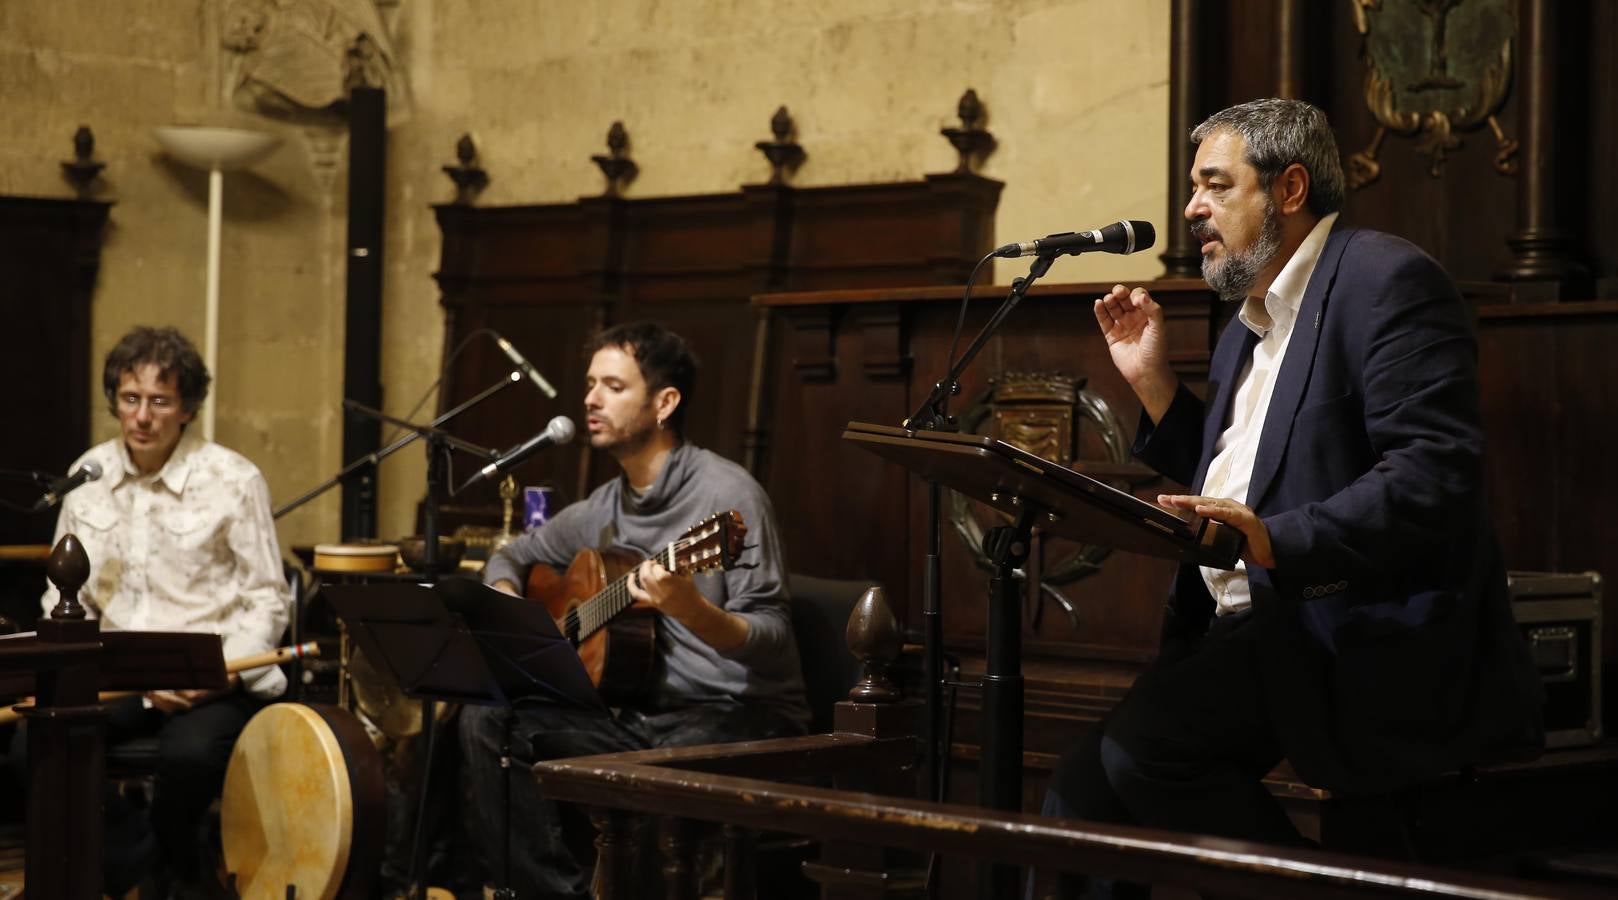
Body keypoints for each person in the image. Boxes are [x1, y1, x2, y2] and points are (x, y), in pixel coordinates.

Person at [1039, 99, 1543, 891]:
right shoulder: (1247, 319)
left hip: (1353, 624)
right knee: (1080, 790)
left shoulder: (1388, 281)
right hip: (1255, 623)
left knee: (1147, 750)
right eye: (1193, 189)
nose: (1191, 209)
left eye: (1213, 185)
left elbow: (1433, 473)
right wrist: (1155, 385)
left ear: (1289, 188)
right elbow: (1252, 470)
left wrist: (1280, 540)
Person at [459, 321, 809, 899]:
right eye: (591, 384)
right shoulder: (604, 506)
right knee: (488, 721)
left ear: (664, 402)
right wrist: (503, 591)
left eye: (613, 386)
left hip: (735, 711)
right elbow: (517, 555)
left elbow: (771, 637)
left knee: (653, 781)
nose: (591, 399)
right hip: (639, 709)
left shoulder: (728, 497)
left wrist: (690, 608)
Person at [19, 326, 292, 895]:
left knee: (189, 757)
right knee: (33, 744)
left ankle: (169, 872)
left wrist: (212, 673)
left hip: (211, 678)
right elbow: (62, 595)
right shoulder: (88, 476)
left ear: (188, 408)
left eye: (160, 401)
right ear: (116, 401)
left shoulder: (233, 479)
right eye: (130, 398)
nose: (142, 416)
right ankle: (148, 863)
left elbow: (267, 596)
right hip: (114, 673)